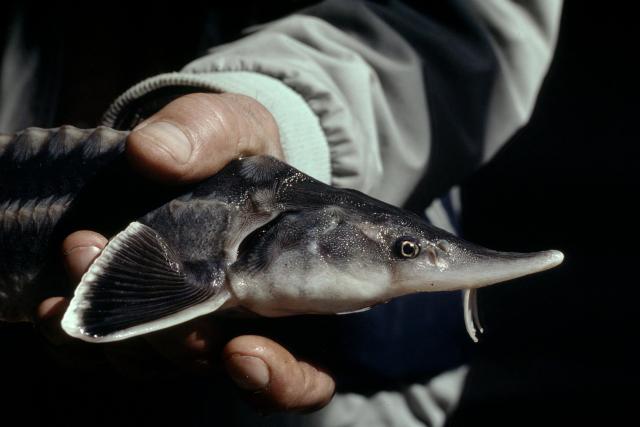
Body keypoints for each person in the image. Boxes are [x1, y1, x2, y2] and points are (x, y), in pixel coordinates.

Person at [0, 1, 563, 425]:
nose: (417, 262)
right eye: (405, 251)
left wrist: (289, 118)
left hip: (338, 390)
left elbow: (465, 26)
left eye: (406, 249)